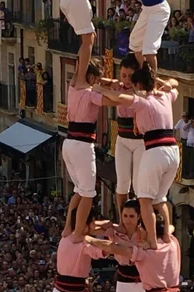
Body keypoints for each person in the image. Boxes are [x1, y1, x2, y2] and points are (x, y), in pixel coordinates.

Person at [93, 65, 181, 253]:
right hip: (174, 152)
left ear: (139, 85)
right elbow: (175, 87)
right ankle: (166, 235)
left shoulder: (142, 101)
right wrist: (160, 81)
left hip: (155, 150)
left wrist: (100, 89)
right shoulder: (164, 96)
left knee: (145, 200)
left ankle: (152, 242)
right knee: (160, 199)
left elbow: (119, 97)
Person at [61, 60, 105, 241]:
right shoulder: (91, 95)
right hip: (82, 145)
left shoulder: (73, 88)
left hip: (68, 143)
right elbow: (112, 100)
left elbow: (80, 62)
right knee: (88, 193)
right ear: (92, 78)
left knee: (79, 190)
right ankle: (78, 232)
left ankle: (67, 228)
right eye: (98, 80)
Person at [110, 55, 146, 215]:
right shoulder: (118, 88)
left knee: (138, 185)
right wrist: (111, 82)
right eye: (123, 75)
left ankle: (139, 219)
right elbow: (101, 83)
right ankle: (122, 219)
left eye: (130, 76)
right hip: (122, 139)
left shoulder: (142, 92)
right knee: (122, 183)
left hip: (140, 141)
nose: (126, 80)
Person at [129, 0, 171, 73]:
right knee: (135, 41)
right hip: (146, 9)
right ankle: (142, 74)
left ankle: (152, 79)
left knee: (149, 49)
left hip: (159, 10)